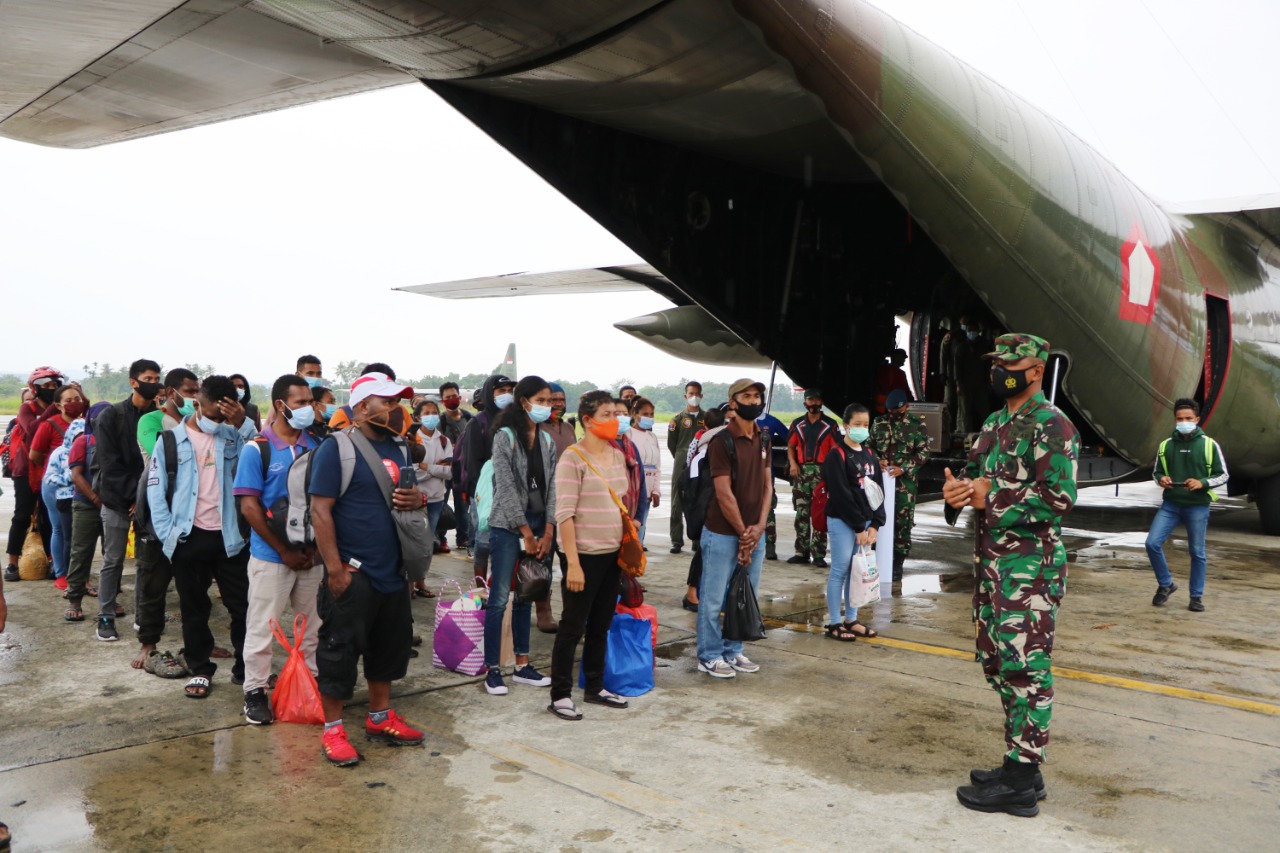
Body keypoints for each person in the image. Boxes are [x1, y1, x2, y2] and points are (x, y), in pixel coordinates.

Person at [943, 333, 1079, 817]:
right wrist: (956, 491)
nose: (1001, 368)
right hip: (992, 566)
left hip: (1031, 570)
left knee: (1028, 669)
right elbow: (973, 475)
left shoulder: (1053, 425)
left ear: (1037, 369)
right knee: (998, 664)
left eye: (1011, 361)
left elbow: (1060, 498)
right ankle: (1020, 761)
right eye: (996, 361)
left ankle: (1021, 780)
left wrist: (990, 497)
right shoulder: (995, 422)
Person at [309, 371, 426, 766]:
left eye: (398, 402)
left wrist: (416, 500)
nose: (396, 410)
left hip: (393, 571)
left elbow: (404, 501)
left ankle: (379, 717)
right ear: (362, 407)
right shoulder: (336, 449)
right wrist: (336, 570)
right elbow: (319, 511)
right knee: (338, 653)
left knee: (389, 649)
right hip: (354, 573)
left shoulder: (400, 448)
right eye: (388, 402)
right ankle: (333, 730)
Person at [147, 375, 256, 698]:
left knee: (243, 606)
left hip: (230, 538)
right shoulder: (170, 441)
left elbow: (258, 461)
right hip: (187, 538)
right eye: (212, 414)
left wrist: (242, 424)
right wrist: (170, 536)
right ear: (197, 404)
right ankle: (200, 668)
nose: (217, 421)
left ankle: (245, 668)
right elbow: (157, 492)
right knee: (195, 608)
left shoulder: (235, 436)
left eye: (224, 415)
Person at [232, 375, 322, 725]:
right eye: (299, 402)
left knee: (312, 626)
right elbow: (250, 507)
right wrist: (284, 552)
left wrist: (316, 552)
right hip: (272, 558)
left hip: (312, 556)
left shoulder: (316, 446)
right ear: (280, 405)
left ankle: (309, 681)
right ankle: (254, 691)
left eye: (309, 401)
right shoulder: (258, 449)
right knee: (262, 627)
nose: (307, 408)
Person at [549, 389, 632, 719]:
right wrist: (573, 565)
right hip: (583, 555)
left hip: (613, 554)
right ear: (588, 420)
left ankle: (595, 686)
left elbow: (619, 500)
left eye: (616, 413)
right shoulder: (572, 457)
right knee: (572, 626)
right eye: (607, 415)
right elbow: (565, 514)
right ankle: (560, 694)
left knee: (601, 624)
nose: (615, 420)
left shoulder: (616, 454)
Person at [482, 376, 557, 696]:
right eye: (541, 400)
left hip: (539, 528)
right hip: (507, 528)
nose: (547, 406)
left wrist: (549, 529)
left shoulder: (548, 441)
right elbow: (507, 487)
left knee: (527, 595)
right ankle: (493, 669)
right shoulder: (505, 437)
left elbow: (554, 487)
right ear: (524, 401)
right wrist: (525, 531)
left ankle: (523, 665)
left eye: (550, 401)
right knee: (500, 599)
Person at [696, 379, 772, 679]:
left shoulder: (763, 438)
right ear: (733, 402)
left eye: (757, 396)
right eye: (746, 396)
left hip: (755, 532)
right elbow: (723, 493)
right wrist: (744, 532)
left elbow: (768, 486)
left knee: (745, 594)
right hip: (723, 533)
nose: (753, 401)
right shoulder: (722, 441)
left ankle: (733, 649)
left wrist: (760, 527)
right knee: (714, 598)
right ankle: (710, 655)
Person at [92, 359, 162, 641]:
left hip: (151, 500)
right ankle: (105, 616)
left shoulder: (162, 418)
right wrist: (134, 495)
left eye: (157, 377)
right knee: (114, 560)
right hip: (117, 500)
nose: (154, 382)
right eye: (148, 377)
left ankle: (144, 618)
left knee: (148, 562)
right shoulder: (111, 416)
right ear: (133, 381)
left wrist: (145, 497)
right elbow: (108, 464)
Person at [131, 367, 197, 665]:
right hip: (157, 511)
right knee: (153, 582)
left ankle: (197, 643)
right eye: (190, 391)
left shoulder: (197, 423)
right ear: (171, 393)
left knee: (194, 584)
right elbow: (156, 451)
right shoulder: (151, 421)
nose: (195, 398)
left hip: (190, 513)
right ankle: (148, 643)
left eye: (198, 392)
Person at [1145, 398, 1228, 613]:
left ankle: (1196, 597)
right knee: (1152, 543)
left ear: (1197, 419)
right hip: (1171, 504)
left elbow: (1223, 475)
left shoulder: (1209, 445)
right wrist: (1161, 479)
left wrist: (1202, 482)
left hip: (1197, 506)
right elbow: (1157, 472)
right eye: (1179, 419)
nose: (1184, 422)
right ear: (1175, 420)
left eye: (1188, 418)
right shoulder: (1166, 445)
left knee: (1197, 552)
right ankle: (1166, 584)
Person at [822, 403, 885, 641]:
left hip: (865, 522)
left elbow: (878, 493)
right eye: (857, 425)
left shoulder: (869, 455)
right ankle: (834, 622)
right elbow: (840, 494)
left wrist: (875, 524)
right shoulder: (836, 455)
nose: (861, 429)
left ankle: (851, 618)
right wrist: (859, 526)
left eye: (865, 425)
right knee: (840, 570)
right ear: (845, 426)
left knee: (857, 571)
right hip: (843, 521)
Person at [5, 366, 66, 583]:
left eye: (55, 386)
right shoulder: (27, 408)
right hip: (25, 469)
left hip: (50, 470)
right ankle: (12, 563)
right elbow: (31, 429)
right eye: (46, 386)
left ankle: (52, 560)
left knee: (50, 517)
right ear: (35, 388)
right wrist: (51, 410)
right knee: (21, 515)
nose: (51, 389)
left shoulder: (60, 409)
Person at [868, 388, 931, 581]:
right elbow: (869, 446)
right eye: (890, 413)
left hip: (905, 484)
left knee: (902, 524)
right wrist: (877, 460)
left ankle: (897, 564)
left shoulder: (916, 425)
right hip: (881, 483)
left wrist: (903, 467)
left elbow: (923, 453)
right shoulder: (879, 423)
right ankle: (874, 559)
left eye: (897, 412)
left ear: (906, 407)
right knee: (876, 519)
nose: (893, 416)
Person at [32, 384, 88, 589]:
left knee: (78, 534)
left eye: (78, 398)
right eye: (69, 400)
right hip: (57, 488)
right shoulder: (49, 425)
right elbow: (35, 456)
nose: (75, 403)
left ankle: (78, 573)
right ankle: (60, 571)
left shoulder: (87, 423)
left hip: (80, 490)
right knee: (60, 529)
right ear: (58, 405)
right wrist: (66, 474)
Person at [461, 374, 515, 578]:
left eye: (510, 391)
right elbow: (472, 461)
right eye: (501, 391)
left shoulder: (514, 420)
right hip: (486, 491)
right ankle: (481, 589)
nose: (507, 395)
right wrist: (477, 493)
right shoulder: (479, 422)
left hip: (511, 489)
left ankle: (500, 586)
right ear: (488, 394)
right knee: (483, 544)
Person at [64, 401, 112, 620]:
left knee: (112, 556)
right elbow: (76, 476)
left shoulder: (118, 441)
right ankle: (74, 599)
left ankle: (110, 598)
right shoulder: (82, 442)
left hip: (112, 505)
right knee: (81, 553)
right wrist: (96, 499)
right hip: (85, 504)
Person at [786, 389, 839, 567]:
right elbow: (791, 447)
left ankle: (818, 554)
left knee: (819, 513)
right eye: (810, 400)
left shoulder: (830, 425)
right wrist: (793, 464)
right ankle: (801, 552)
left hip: (821, 472)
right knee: (801, 513)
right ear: (804, 403)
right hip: (800, 472)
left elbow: (835, 452)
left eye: (816, 400)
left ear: (821, 402)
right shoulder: (797, 424)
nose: (813, 403)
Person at [682, 406, 726, 611]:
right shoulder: (707, 451)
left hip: (709, 504)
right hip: (707, 505)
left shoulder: (700, 446)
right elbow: (691, 484)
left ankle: (700, 592)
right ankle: (692, 592)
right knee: (704, 548)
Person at [411, 398, 452, 596]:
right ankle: (409, 582)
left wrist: (426, 467)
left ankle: (421, 581)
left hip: (436, 499)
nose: (431, 416)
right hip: (415, 499)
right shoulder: (412, 440)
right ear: (418, 417)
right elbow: (412, 473)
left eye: (434, 412)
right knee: (412, 540)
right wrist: (436, 469)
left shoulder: (444, 441)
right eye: (426, 413)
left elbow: (450, 472)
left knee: (427, 542)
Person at [666, 381, 706, 554]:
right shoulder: (677, 419)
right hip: (681, 461)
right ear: (685, 396)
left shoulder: (707, 418)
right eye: (691, 393)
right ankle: (676, 540)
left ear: (702, 396)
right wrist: (682, 457)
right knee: (677, 500)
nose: (694, 397)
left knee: (699, 500)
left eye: (697, 393)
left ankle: (697, 540)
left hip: (701, 462)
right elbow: (671, 444)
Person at [439, 381, 474, 550]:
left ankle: (463, 537)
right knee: (442, 504)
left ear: (459, 396)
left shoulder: (469, 418)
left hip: (463, 469)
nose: (452, 399)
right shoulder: (440, 421)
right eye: (448, 397)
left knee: (462, 505)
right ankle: (441, 538)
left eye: (454, 396)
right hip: (445, 469)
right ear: (442, 400)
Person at [756, 408, 789, 561]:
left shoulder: (771, 421)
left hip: (765, 474)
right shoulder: (739, 421)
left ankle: (770, 546)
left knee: (768, 509)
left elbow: (790, 438)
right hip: (743, 473)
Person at [629, 397, 662, 544]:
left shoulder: (653, 437)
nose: (649, 417)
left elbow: (657, 466)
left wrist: (655, 490)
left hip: (647, 494)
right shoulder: (628, 435)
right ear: (635, 414)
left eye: (651, 414)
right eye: (645, 414)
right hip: (632, 492)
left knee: (640, 534)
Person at [540, 382, 577, 460]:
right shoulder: (538, 428)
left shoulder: (569, 427)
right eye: (554, 400)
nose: (559, 404)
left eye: (562, 400)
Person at [873, 349, 912, 415]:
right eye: (902, 357)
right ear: (896, 357)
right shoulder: (886, 371)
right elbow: (884, 389)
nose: (904, 359)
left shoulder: (900, 373)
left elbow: (906, 391)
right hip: (886, 410)